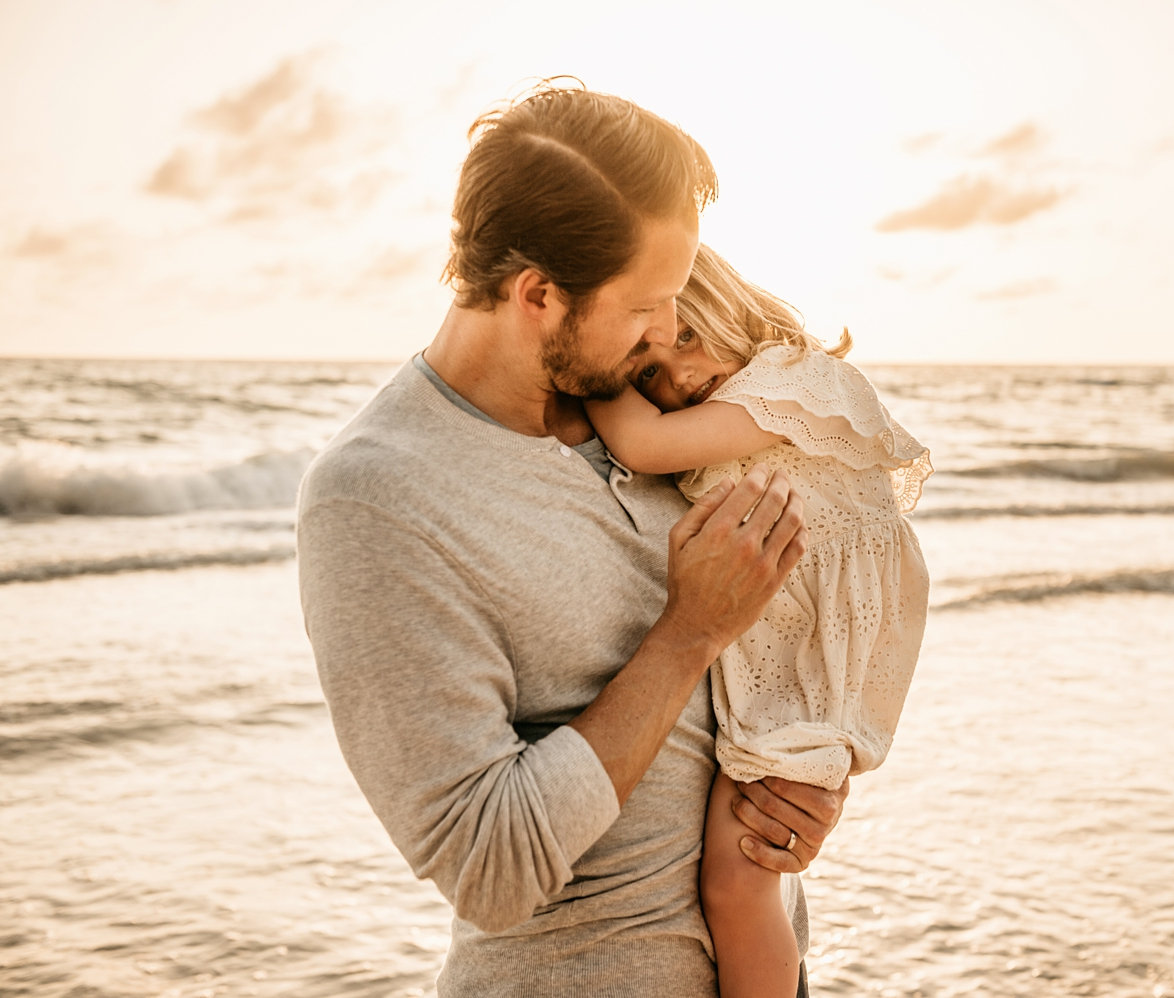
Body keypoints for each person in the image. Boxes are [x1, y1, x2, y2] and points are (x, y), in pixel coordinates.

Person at [296, 81, 847, 997]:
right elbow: (489, 867)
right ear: (539, 295)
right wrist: (687, 634)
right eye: (645, 305)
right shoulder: (376, 498)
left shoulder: (654, 407)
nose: (670, 330)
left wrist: (800, 792)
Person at [585, 245, 931, 998]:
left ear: (726, 301)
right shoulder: (738, 407)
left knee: (739, 879)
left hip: (814, 661)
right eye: (644, 372)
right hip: (803, 647)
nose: (675, 376)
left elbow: (641, 443)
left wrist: (584, 372)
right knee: (748, 868)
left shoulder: (788, 385)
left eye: (682, 336)